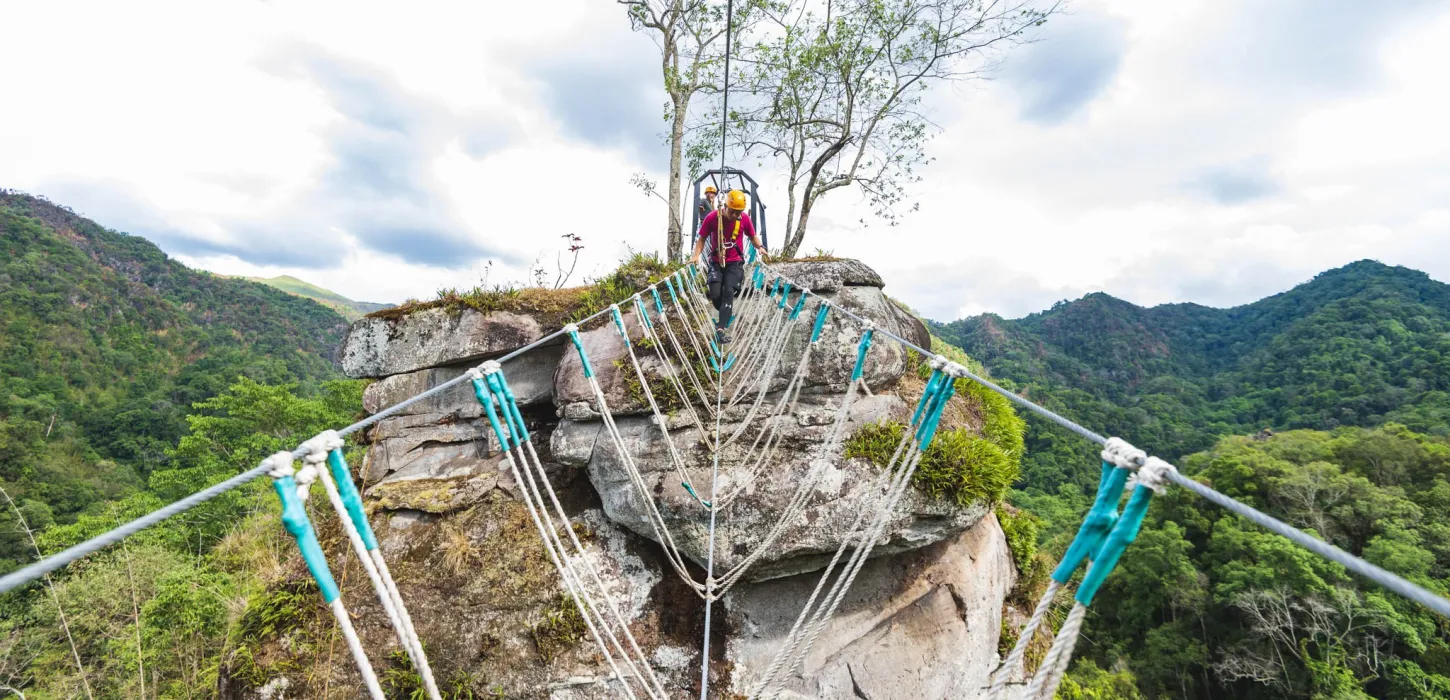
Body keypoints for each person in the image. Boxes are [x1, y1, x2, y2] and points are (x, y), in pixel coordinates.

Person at [688, 189, 767, 345]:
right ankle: (726, 312)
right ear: (725, 206)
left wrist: (760, 247)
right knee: (716, 294)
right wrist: (696, 256)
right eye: (733, 212)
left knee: (729, 291)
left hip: (735, 262)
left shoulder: (744, 219)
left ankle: (720, 328)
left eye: (739, 212)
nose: (736, 215)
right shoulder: (712, 218)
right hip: (716, 261)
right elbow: (702, 238)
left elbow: (752, 237)